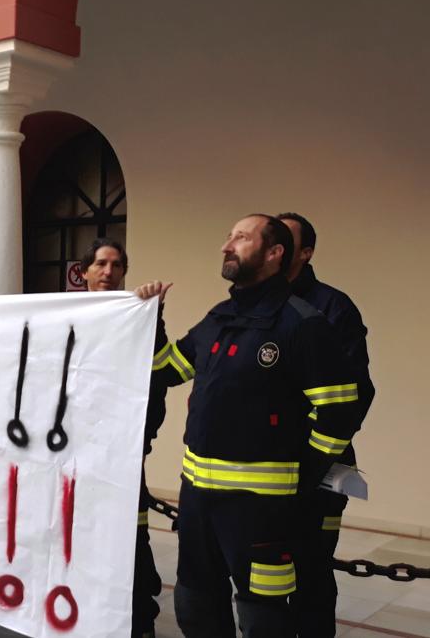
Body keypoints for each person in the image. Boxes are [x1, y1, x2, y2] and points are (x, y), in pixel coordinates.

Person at [139, 214, 362, 637]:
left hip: (263, 509)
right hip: (199, 501)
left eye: (241, 238)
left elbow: (340, 410)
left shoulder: (303, 323)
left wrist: (304, 474)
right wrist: (152, 319)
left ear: (274, 253)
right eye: (228, 237)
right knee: (195, 605)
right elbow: (167, 369)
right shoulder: (219, 318)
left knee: (264, 618)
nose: (227, 246)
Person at [277, 212, 375, 638]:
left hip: (320, 472)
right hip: (265, 472)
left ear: (306, 252)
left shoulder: (333, 307)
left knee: (312, 575)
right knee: (265, 579)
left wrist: (310, 461)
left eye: (284, 240)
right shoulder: (252, 304)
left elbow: (355, 395)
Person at [81, 238, 165, 638]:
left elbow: (158, 381)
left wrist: (154, 315)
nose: (108, 272)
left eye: (117, 265)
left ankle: (139, 620)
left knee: (130, 540)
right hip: (72, 455)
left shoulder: (139, 315)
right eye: (100, 263)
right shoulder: (64, 316)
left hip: (122, 456)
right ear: (84, 271)